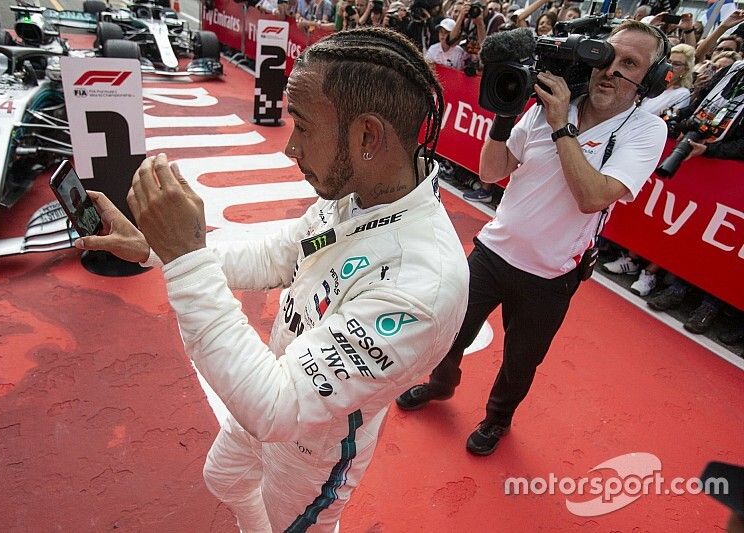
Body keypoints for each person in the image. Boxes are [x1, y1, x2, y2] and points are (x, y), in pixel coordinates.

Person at [76, 27, 469, 532]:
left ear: (367, 136)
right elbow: (277, 255)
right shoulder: (358, 196)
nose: (289, 147)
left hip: (314, 447)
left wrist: (187, 264)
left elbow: (277, 408)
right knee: (224, 475)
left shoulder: (425, 284)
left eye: (302, 126)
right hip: (274, 386)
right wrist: (160, 250)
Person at [396, 20, 669, 455]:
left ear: (650, 81)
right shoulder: (552, 104)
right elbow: (492, 170)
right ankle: (440, 385)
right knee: (448, 333)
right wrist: (505, 118)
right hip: (493, 250)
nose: (611, 69)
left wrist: (563, 125)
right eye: (608, 54)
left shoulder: (646, 130)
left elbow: (592, 197)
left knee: (519, 364)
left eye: (630, 63)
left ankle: (496, 421)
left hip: (551, 274)